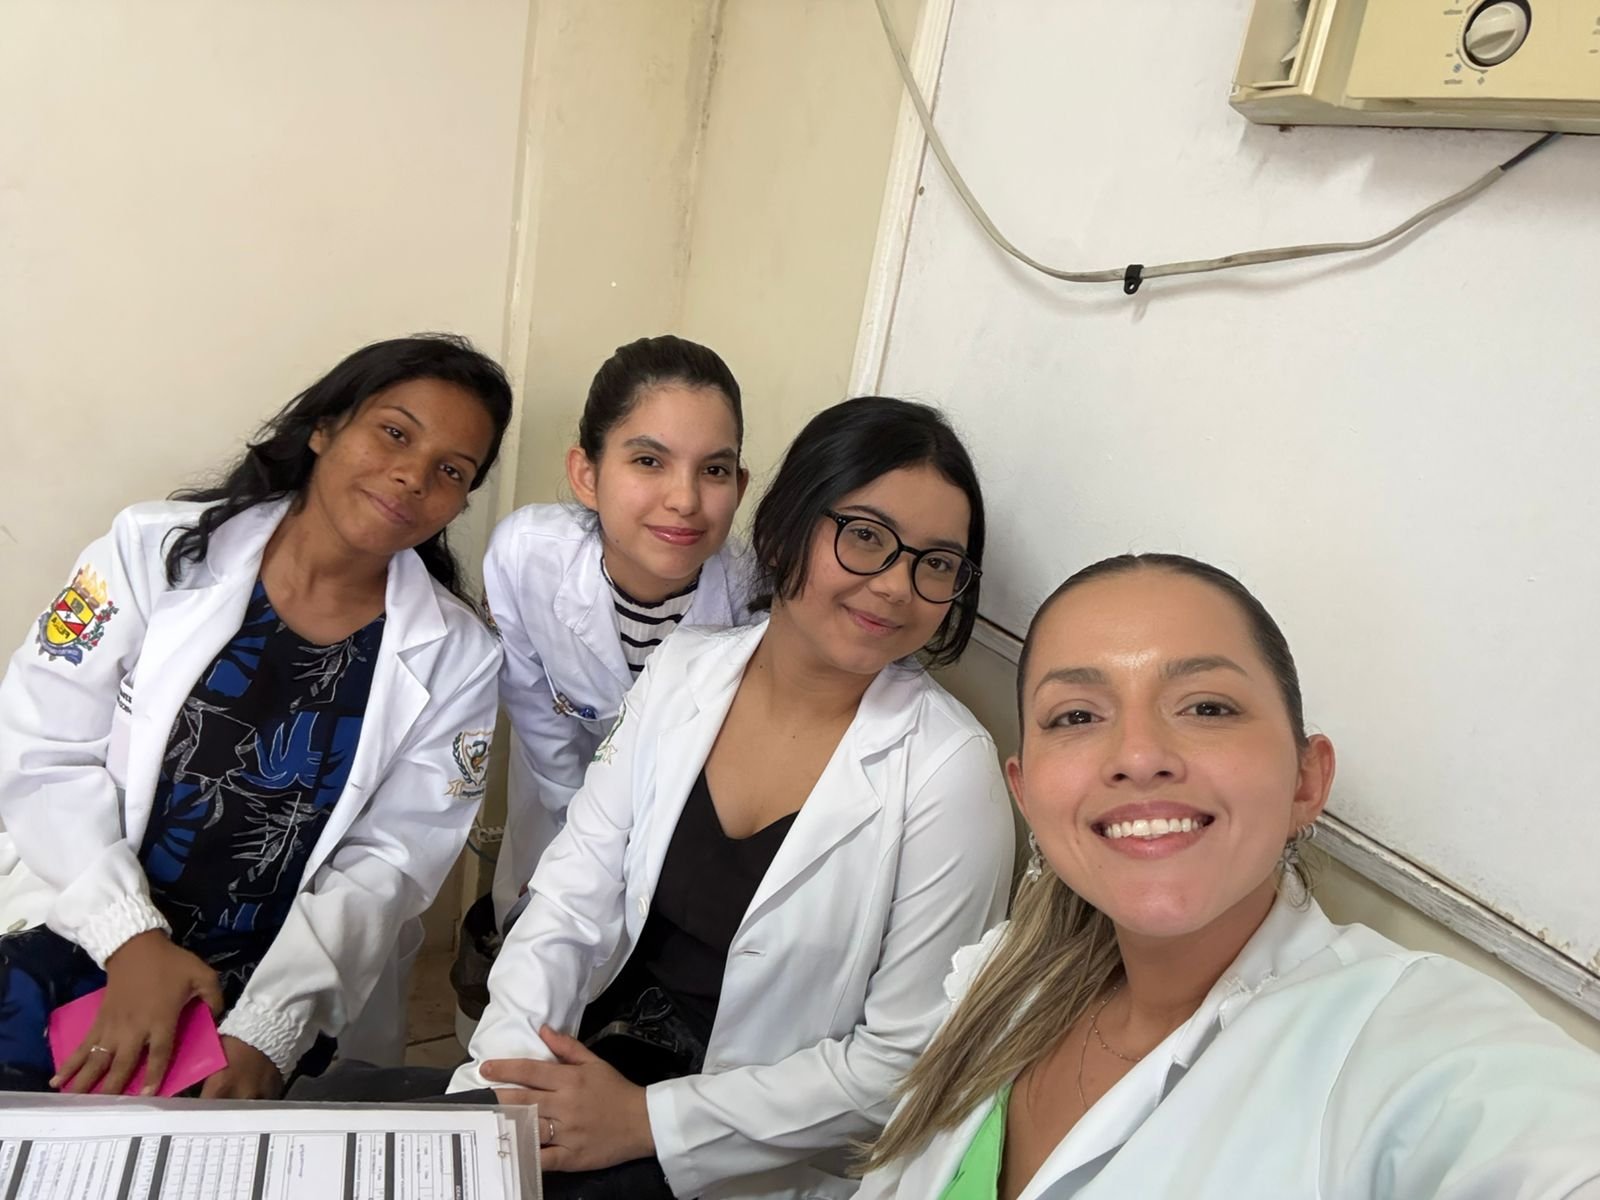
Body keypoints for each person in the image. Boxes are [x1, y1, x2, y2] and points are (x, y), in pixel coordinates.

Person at [855, 553, 1600, 1200]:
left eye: (1207, 707)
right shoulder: (1003, 981)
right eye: (1076, 716)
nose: (1138, 756)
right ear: (1025, 793)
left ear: (1306, 780)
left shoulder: (1408, 1043)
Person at [455, 397, 1016, 1199]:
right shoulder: (685, 670)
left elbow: (902, 1061)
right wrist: (501, 1083)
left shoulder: (948, 770)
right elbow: (571, 898)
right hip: (592, 1065)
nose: (898, 585)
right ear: (785, 527)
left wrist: (646, 1121)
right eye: (865, 536)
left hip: (743, 1151)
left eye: (936, 563)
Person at [0, 334, 511, 1098]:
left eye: (451, 471)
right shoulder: (150, 553)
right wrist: (128, 938)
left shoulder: (459, 655)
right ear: (324, 427)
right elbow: (41, 750)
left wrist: (272, 1027)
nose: (413, 475)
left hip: (273, 981)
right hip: (82, 920)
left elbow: (391, 860)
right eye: (394, 433)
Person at [483, 335, 754, 933]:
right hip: (558, 803)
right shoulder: (526, 557)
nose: (684, 500)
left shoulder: (756, 596)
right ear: (587, 474)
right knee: (536, 949)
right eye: (649, 461)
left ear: (740, 484)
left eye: (714, 470)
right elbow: (540, 723)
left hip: (684, 835)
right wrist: (582, 849)